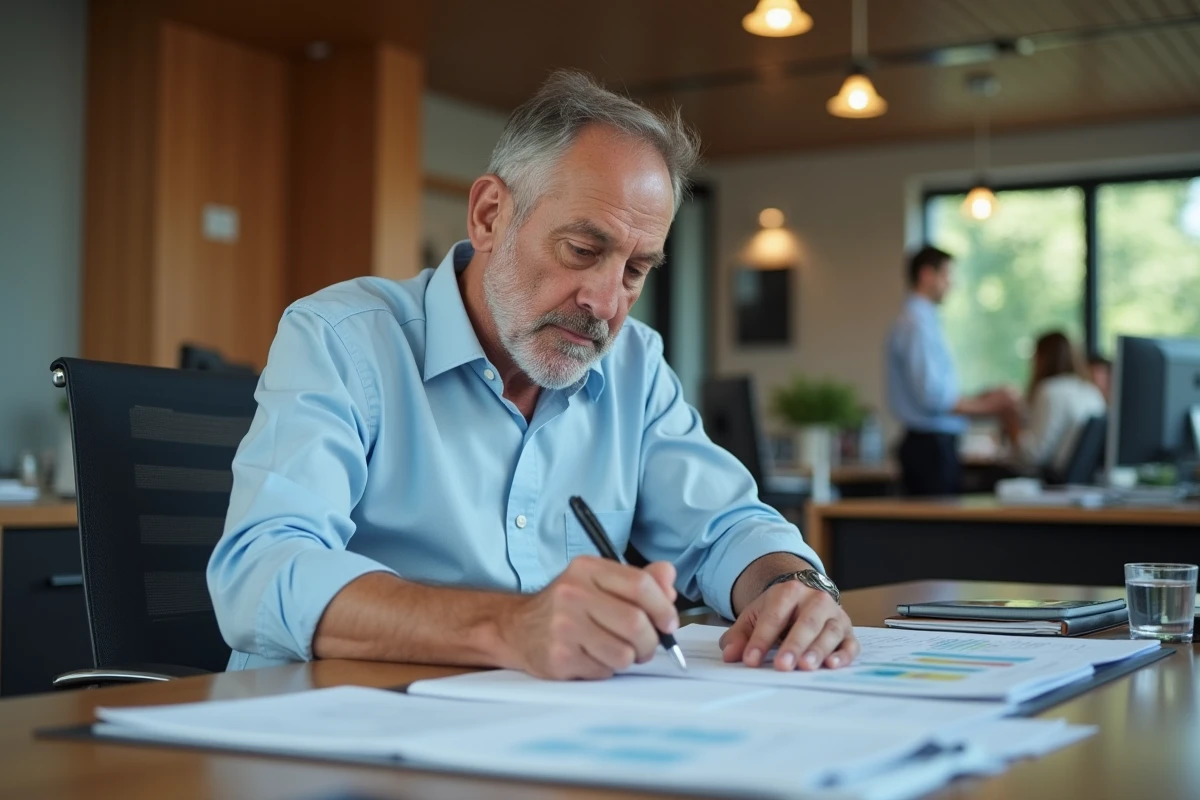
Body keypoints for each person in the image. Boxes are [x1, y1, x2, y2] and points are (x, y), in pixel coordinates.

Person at [208, 71, 857, 681]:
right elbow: (260, 574)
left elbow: (726, 528)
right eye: (583, 250)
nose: (606, 302)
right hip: (337, 736)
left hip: (537, 739)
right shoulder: (343, 339)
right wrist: (507, 626)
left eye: (635, 270)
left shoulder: (634, 364)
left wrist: (790, 589)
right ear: (490, 215)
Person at [886, 246, 1019, 496]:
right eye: (947, 276)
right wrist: (991, 406)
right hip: (929, 448)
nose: (951, 284)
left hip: (932, 446)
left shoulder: (924, 320)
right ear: (927, 275)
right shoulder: (916, 324)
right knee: (936, 532)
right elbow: (933, 397)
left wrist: (983, 399)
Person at [1010, 332, 1106, 477]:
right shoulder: (1091, 391)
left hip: (1050, 481)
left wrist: (1011, 421)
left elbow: (1033, 456)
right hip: (1081, 481)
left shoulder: (1050, 390)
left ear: (1041, 358)